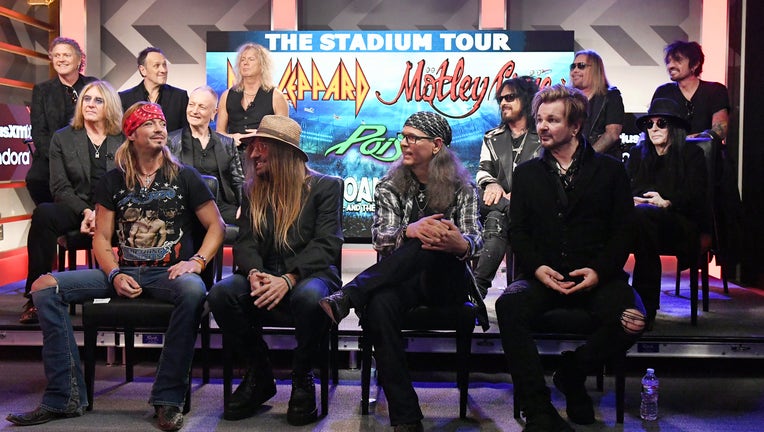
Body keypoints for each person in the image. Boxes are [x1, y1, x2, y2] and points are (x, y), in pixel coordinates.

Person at [6, 102, 225, 431]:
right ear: (132, 133)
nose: (160, 129)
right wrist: (114, 273)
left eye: (162, 123)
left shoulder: (184, 176)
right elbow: (102, 239)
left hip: (168, 273)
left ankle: (167, 399)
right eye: (150, 124)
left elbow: (217, 226)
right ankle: (64, 396)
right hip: (121, 270)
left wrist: (196, 262)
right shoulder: (113, 180)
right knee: (44, 287)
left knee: (194, 291)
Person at [319, 112, 485, 432]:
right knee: (381, 304)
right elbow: (380, 237)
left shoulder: (462, 186)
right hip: (403, 281)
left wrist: (458, 242)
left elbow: (476, 240)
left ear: (436, 145)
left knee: (431, 239)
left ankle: (350, 294)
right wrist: (411, 230)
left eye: (413, 138)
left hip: (447, 282)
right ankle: (406, 416)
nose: (404, 144)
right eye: (403, 136)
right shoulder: (389, 185)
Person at [495, 85, 645, 431]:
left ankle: (573, 373)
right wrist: (538, 269)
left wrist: (598, 271)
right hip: (543, 278)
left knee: (633, 319)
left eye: (552, 120)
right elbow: (518, 232)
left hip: (598, 278)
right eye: (540, 119)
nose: (543, 126)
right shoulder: (527, 174)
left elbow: (624, 232)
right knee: (508, 306)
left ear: (575, 126)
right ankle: (538, 409)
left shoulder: (610, 171)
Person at [206, 115, 343, 425]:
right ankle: (259, 372)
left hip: (311, 275)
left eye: (261, 147)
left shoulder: (325, 187)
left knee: (309, 298)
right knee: (221, 294)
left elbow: (326, 245)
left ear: (284, 152)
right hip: (265, 275)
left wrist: (289, 278)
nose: (252, 155)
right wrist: (254, 272)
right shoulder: (252, 190)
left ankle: (302, 376)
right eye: (252, 148)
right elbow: (245, 242)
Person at [20, 80, 123, 325]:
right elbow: (59, 187)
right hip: (78, 207)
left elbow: (128, 184)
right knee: (44, 214)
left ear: (109, 105)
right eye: (86, 99)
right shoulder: (63, 138)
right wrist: (87, 212)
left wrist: (103, 213)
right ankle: (36, 296)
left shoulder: (123, 139)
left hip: (115, 210)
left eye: (98, 100)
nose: (90, 104)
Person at [627, 98, 708, 325]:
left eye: (661, 123)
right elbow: (627, 187)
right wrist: (632, 200)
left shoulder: (692, 155)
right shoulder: (638, 154)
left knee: (642, 220)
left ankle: (643, 306)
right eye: (649, 124)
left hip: (679, 225)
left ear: (675, 127)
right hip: (644, 224)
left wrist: (668, 202)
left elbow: (697, 197)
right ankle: (627, 303)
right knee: (632, 220)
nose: (653, 129)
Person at [474, 76, 540, 296]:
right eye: (501, 99)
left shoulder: (543, 135)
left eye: (510, 97)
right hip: (500, 202)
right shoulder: (492, 137)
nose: (503, 103)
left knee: (496, 220)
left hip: (534, 205)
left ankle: (476, 291)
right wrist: (491, 182)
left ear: (527, 99)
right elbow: (483, 170)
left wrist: (518, 196)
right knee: (497, 214)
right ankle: (478, 291)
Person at [26, 37, 97, 205]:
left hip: (88, 153)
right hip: (52, 155)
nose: (61, 59)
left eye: (66, 55)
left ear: (79, 59)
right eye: (56, 55)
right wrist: (57, 158)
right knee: (36, 179)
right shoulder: (42, 90)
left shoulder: (93, 85)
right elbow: (39, 131)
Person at [169, 86, 244, 224]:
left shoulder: (227, 143)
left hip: (220, 206)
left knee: (252, 221)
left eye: (202, 107)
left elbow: (238, 180)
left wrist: (244, 205)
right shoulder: (171, 141)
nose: (194, 111)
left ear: (213, 113)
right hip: (185, 206)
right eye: (191, 105)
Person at [215, 43, 289, 157]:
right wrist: (231, 138)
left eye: (251, 59)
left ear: (262, 65)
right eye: (242, 59)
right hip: (233, 159)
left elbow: (284, 135)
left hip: (265, 159)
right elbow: (219, 133)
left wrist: (263, 135)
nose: (245, 63)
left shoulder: (276, 96)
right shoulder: (227, 95)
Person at [652, 40, 730, 140]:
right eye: (668, 62)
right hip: (672, 153)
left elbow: (720, 130)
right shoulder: (663, 92)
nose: (670, 66)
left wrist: (694, 140)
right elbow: (654, 128)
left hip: (706, 153)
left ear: (695, 64)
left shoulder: (716, 90)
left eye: (678, 60)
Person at [569, 49, 625, 159]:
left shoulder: (611, 96)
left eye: (581, 66)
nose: (575, 70)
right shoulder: (567, 99)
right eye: (573, 66)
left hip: (601, 162)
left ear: (595, 69)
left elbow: (612, 134)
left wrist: (586, 158)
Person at [119, 47, 189, 133]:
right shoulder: (124, 99)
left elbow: (186, 133)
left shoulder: (180, 97)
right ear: (143, 70)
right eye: (157, 66)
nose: (163, 70)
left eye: (164, 65)